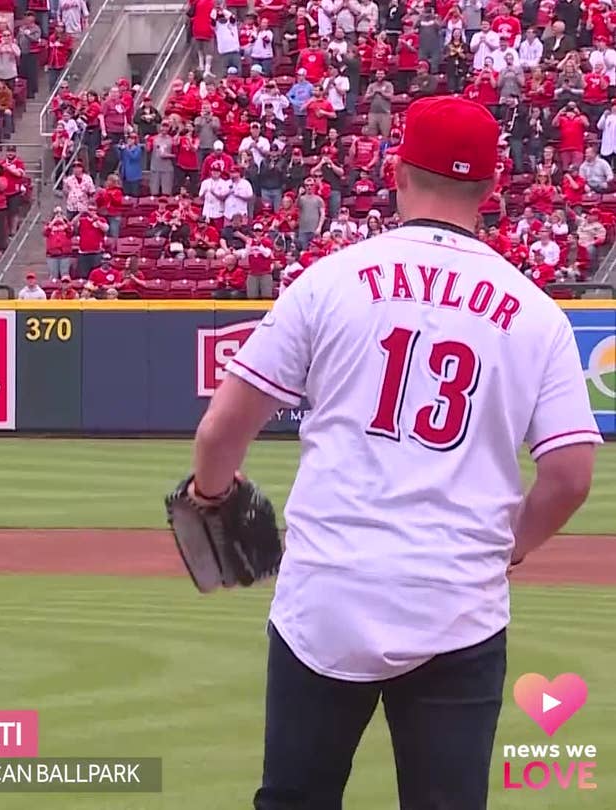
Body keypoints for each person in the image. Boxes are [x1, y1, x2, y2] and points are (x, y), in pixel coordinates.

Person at [184, 96, 600, 809]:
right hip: (458, 605)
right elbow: (568, 478)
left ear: (398, 170)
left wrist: (212, 496)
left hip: (328, 597)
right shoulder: (535, 312)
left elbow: (221, 433)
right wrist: (509, 548)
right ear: (493, 190)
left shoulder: (329, 281)